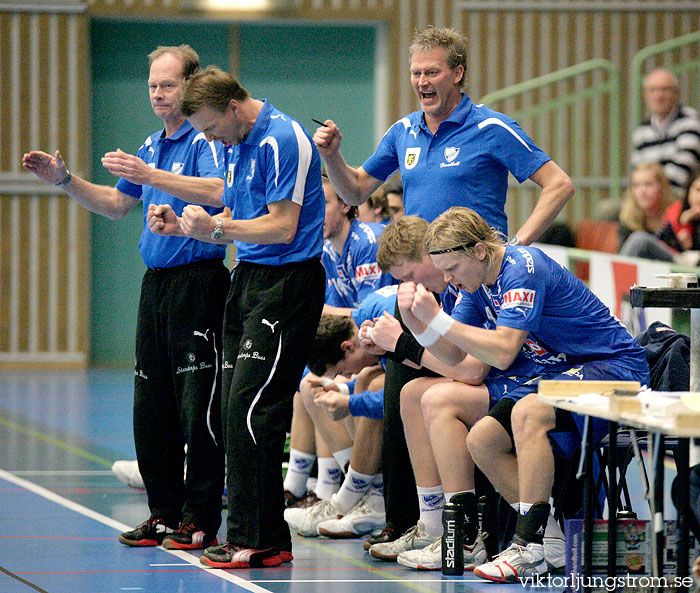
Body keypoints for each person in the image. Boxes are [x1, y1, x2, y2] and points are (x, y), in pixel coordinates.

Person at [313, 24, 574, 548]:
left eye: (432, 72)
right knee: (400, 387)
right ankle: (417, 523)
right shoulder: (404, 131)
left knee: (453, 385)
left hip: (476, 288)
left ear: (457, 73)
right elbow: (356, 189)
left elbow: (559, 184)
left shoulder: (492, 128)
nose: (422, 81)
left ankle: (479, 529)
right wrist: (334, 157)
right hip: (421, 286)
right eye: (415, 72)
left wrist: (515, 247)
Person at [23, 45, 229, 551]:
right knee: (151, 403)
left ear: (191, 86)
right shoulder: (151, 145)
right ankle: (163, 512)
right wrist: (65, 181)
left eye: (169, 84)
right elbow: (118, 203)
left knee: (196, 406)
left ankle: (199, 516)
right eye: (153, 85)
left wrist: (152, 176)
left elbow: (218, 191)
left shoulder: (206, 140)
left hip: (198, 281)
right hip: (156, 284)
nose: (159, 94)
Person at [398, 206, 649, 583]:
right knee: (482, 439)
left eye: (452, 268)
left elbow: (502, 350)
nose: (447, 279)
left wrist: (439, 321)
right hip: (561, 372)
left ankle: (527, 546)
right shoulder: (476, 285)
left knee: (528, 413)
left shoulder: (522, 267)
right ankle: (550, 540)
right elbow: (456, 356)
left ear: (479, 251)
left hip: (614, 367)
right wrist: (419, 327)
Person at [147, 65, 325, 569]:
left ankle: (261, 536)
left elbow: (283, 226)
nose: (208, 138)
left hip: (287, 282)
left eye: (208, 127)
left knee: (254, 412)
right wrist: (185, 226)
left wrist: (217, 232)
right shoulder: (232, 142)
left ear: (232, 107)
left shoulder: (281, 139)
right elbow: (228, 202)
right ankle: (253, 533)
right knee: (230, 411)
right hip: (247, 278)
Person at [322, 173, 396, 316]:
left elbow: (372, 315)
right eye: (310, 204)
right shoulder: (327, 253)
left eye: (323, 203)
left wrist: (318, 310)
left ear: (345, 205)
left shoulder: (368, 243)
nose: (315, 212)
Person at [631, 68, 700, 196]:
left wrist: (648, 188)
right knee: (609, 209)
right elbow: (636, 172)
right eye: (652, 90)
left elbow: (681, 173)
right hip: (648, 197)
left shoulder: (690, 122)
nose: (658, 96)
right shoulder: (641, 130)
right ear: (645, 96)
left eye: (664, 89)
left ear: (676, 93)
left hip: (679, 196)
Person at [617, 161, 677, 260]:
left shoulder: (676, 214)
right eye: (636, 185)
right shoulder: (627, 219)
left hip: (670, 271)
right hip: (641, 273)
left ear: (662, 187)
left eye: (648, 184)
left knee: (640, 239)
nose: (642, 191)